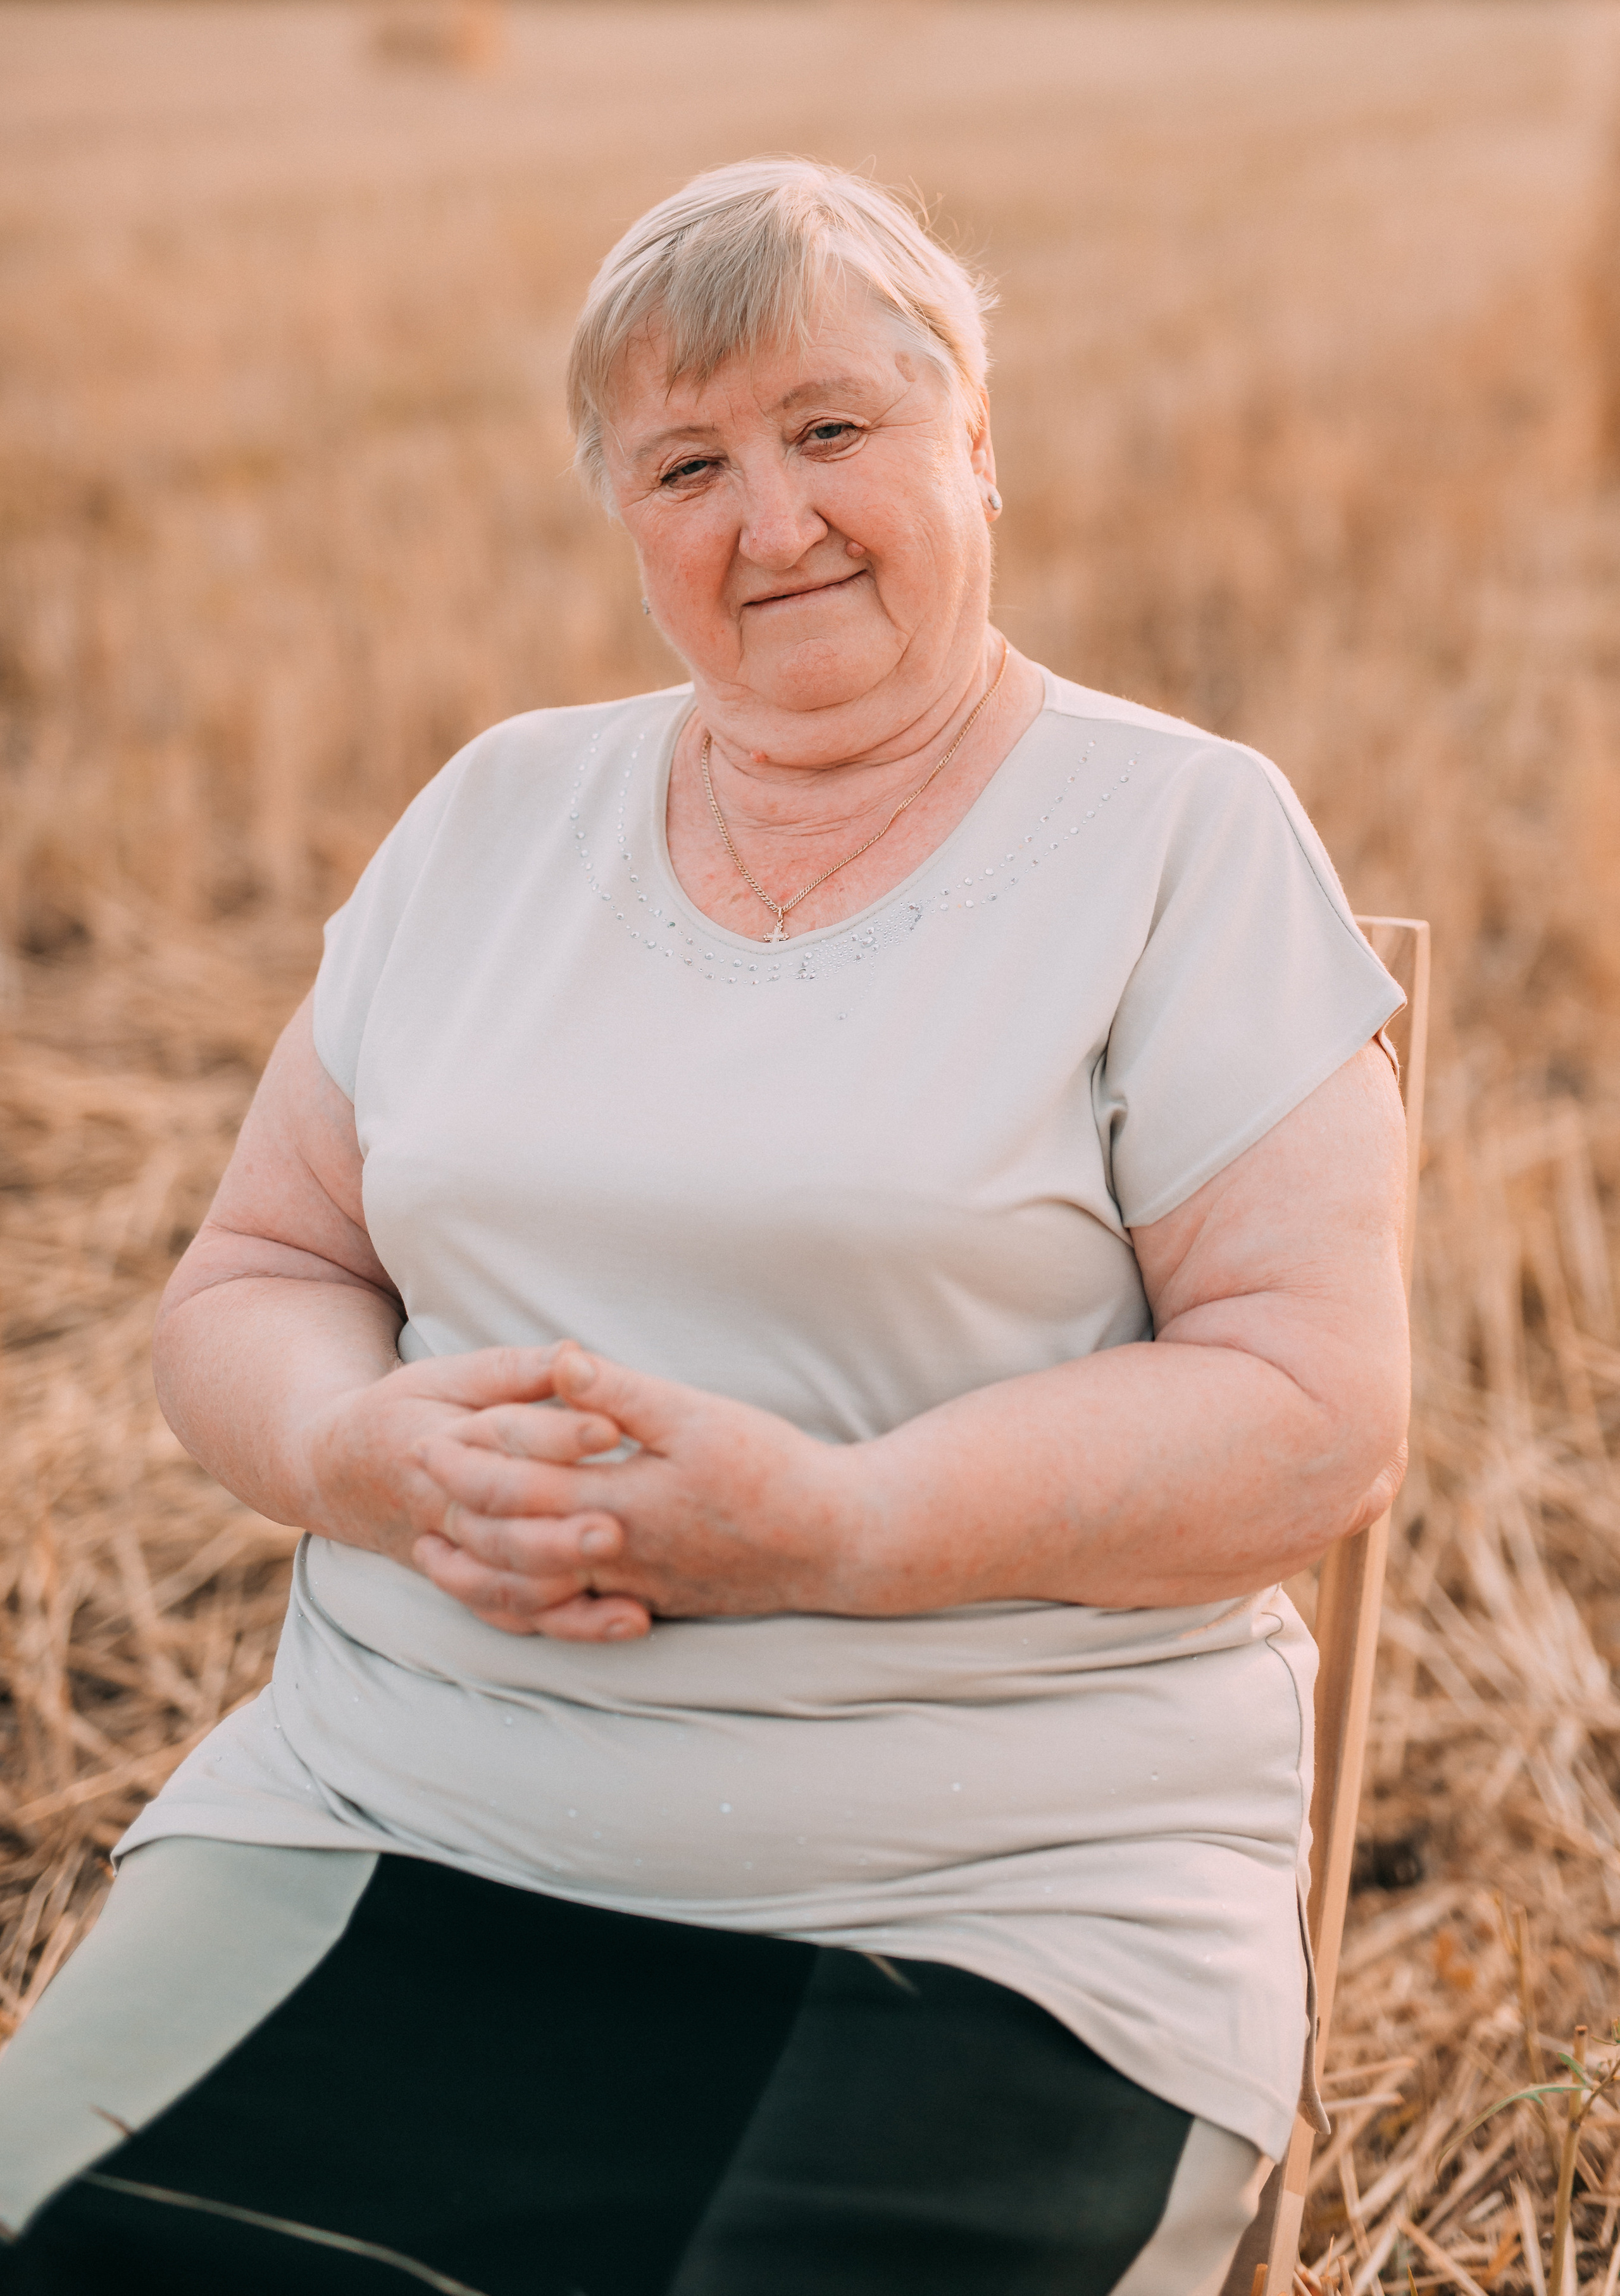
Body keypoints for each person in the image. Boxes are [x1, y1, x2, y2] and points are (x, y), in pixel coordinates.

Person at [0, 158, 1409, 2296]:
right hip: (397, 1811)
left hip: (990, 1896)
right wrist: (346, 1456)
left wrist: (836, 1529)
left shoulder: (1179, 839)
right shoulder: (492, 819)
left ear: (978, 445)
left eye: (834, 431)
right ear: (625, 516)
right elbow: (261, 1276)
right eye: (689, 463)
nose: (773, 523)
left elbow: (1312, 1417)